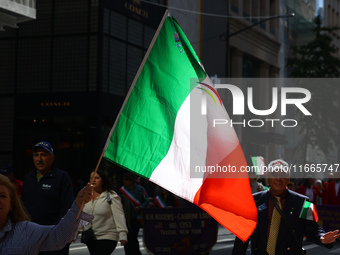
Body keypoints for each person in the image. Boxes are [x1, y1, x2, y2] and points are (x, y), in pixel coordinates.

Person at [232, 159, 340, 255]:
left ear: (288, 178)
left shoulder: (305, 202)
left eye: (283, 174)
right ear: (267, 177)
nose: (278, 178)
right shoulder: (252, 201)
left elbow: (313, 228)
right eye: (274, 173)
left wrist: (322, 237)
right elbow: (242, 237)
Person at [0, 174, 94, 254]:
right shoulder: (30, 177)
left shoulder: (25, 231)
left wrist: (78, 204)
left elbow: (59, 236)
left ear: (11, 204)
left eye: (2, 196)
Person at [21, 141, 75, 255]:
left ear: (52, 158)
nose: (39, 159)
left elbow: (67, 207)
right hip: (31, 238)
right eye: (36, 155)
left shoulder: (62, 177)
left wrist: (57, 232)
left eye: (43, 155)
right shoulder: (28, 178)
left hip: (54, 237)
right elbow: (23, 205)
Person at [82, 169, 128, 255]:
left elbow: (119, 216)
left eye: (97, 178)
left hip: (108, 236)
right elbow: (80, 216)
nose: (93, 180)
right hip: (90, 236)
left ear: (102, 180)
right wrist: (73, 234)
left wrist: (123, 235)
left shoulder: (111, 196)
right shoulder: (85, 195)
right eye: (91, 178)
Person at [119, 172, 149, 255]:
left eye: (126, 179)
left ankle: (136, 253)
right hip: (124, 217)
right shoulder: (122, 190)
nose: (124, 181)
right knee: (126, 238)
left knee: (132, 237)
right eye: (123, 180)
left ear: (131, 180)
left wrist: (140, 207)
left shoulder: (140, 189)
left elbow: (146, 201)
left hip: (135, 217)